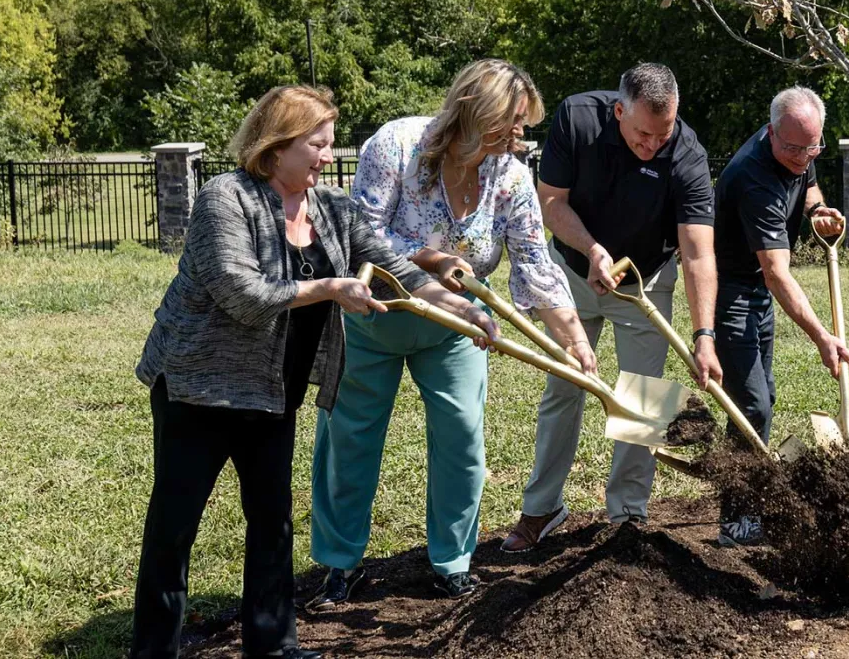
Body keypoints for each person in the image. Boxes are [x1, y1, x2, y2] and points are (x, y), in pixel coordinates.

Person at [130, 85, 495, 659]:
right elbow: (240, 293)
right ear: (276, 146)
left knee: (272, 522)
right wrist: (328, 286)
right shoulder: (225, 199)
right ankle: (153, 651)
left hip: (274, 392)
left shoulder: (332, 210)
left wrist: (465, 311)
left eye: (329, 145)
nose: (327, 157)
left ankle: (273, 647)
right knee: (176, 525)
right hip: (199, 388)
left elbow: (398, 269)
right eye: (316, 145)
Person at [307, 59, 596, 604]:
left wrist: (575, 341)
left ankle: (452, 561)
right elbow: (363, 232)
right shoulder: (396, 146)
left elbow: (535, 261)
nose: (520, 134)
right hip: (375, 318)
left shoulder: (509, 176)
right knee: (350, 441)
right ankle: (341, 565)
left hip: (455, 330)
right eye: (511, 122)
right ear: (475, 111)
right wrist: (432, 265)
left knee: (463, 441)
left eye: (524, 124)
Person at [500, 62, 722, 553]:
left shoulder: (686, 153)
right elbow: (552, 203)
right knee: (564, 387)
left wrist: (704, 336)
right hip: (575, 274)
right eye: (644, 134)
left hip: (643, 281)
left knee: (644, 398)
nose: (653, 146)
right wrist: (593, 249)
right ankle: (541, 508)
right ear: (619, 111)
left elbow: (698, 252)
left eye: (663, 135)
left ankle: (626, 517)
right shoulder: (576, 118)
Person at [711, 86, 849, 546]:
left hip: (755, 287)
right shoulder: (755, 178)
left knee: (764, 395)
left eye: (812, 147)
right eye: (793, 148)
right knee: (750, 403)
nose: (802, 156)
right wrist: (823, 337)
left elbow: (807, 178)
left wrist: (815, 207)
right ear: (771, 132)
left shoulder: (798, 142)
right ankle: (736, 519)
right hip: (730, 287)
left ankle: (754, 495)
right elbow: (777, 274)